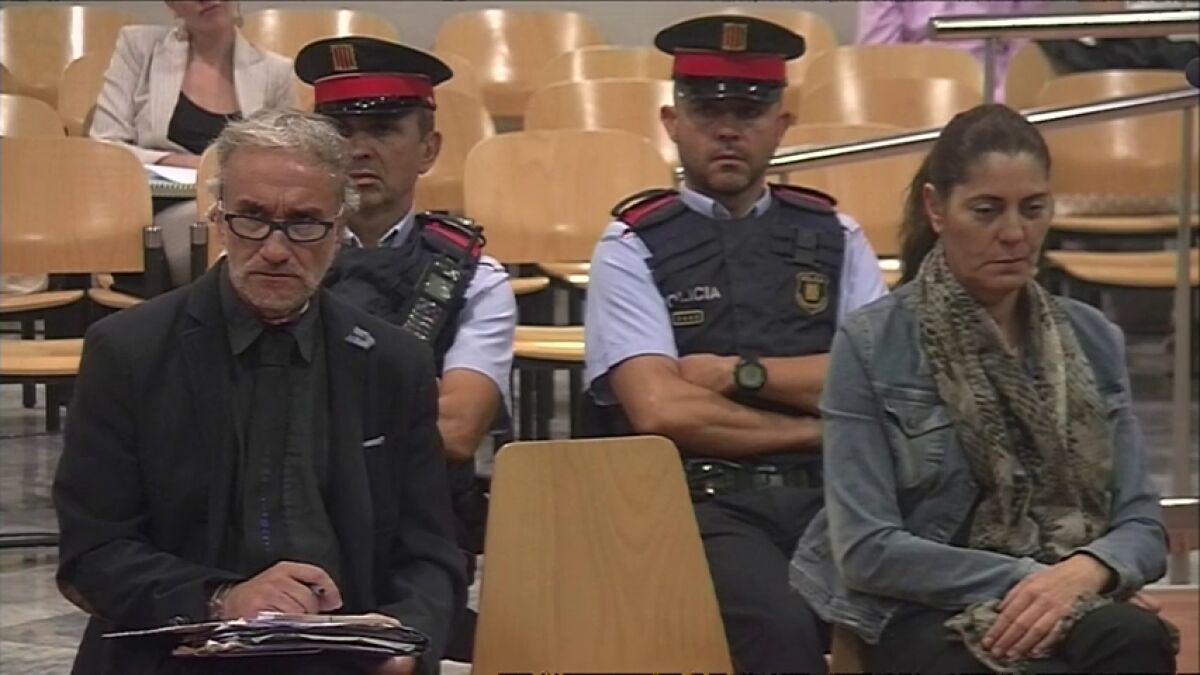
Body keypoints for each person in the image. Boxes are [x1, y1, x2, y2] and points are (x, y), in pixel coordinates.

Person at [53, 109, 466, 675]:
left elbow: (432, 554)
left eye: (304, 223)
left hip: (345, 663)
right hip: (177, 657)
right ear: (218, 219)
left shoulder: (394, 362)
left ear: (338, 230)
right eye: (252, 219)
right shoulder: (128, 351)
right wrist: (222, 599)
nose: (274, 249)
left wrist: (406, 640)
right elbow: (92, 554)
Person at [790, 104, 1177, 674]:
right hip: (922, 606)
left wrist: (1088, 571)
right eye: (986, 210)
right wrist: (1035, 581)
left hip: (1067, 586)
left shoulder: (1093, 337)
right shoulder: (872, 343)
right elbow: (866, 550)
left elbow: (1141, 523)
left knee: (1136, 640)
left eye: (1033, 208)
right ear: (936, 209)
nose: (1014, 233)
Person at [582, 15, 888, 673]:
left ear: (781, 124)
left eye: (748, 111)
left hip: (836, 499)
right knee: (781, 627)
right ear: (672, 121)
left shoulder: (836, 235)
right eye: (707, 110)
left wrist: (736, 374)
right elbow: (662, 410)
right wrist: (821, 426)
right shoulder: (631, 244)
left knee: (915, 622)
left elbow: (880, 384)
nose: (727, 129)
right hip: (702, 503)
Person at [295, 36, 516, 661]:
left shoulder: (476, 278)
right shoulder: (273, 260)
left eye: (384, 129)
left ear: (429, 149)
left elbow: (457, 431)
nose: (359, 149)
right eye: (339, 131)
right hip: (282, 529)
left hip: (416, 537)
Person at [91, 0, 296, 289]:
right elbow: (105, 145)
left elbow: (286, 157)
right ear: (172, 6)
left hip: (240, 203)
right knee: (217, 227)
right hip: (152, 204)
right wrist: (184, 163)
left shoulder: (275, 71)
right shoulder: (140, 48)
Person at [855, 1, 1047, 102]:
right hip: (916, 95)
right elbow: (879, 62)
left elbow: (1024, 48)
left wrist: (999, 101)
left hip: (995, 91)